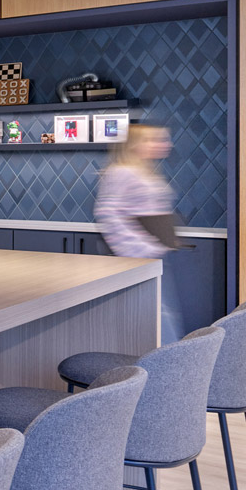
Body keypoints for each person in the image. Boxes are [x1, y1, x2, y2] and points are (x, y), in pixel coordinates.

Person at [95, 122, 185, 344]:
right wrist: (142, 248)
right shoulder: (121, 172)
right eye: (154, 139)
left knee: (161, 313)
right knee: (158, 314)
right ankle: (167, 360)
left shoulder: (145, 172)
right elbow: (107, 214)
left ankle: (169, 358)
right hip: (139, 257)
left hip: (155, 255)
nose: (165, 144)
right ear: (135, 144)